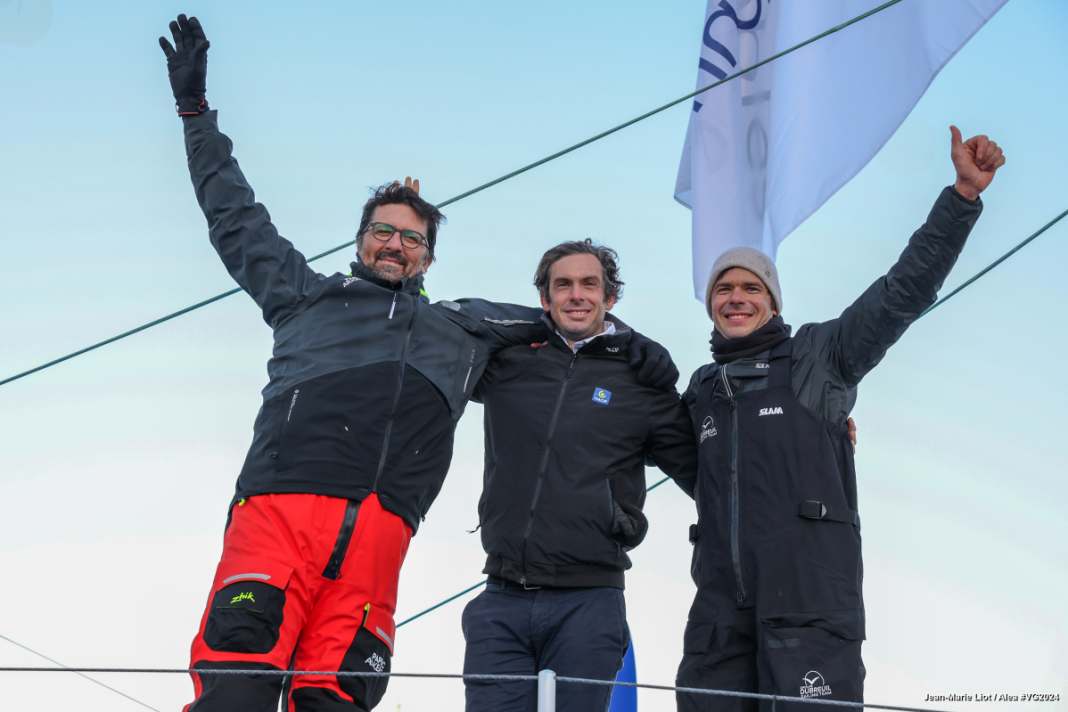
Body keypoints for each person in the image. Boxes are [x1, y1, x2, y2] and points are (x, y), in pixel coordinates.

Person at [159, 16, 671, 711]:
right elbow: (235, 215)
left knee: (336, 697)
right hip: (281, 515)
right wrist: (195, 112)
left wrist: (630, 341)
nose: (395, 245)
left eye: (411, 237)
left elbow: (568, 317)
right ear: (361, 240)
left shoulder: (465, 329)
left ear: (429, 256)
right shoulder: (305, 295)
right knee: (237, 687)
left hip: (380, 538)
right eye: (382, 232)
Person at [675, 126, 1005, 711]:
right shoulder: (701, 392)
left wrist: (961, 197)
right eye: (723, 288)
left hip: (810, 612)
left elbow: (901, 292)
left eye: (752, 287)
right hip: (719, 626)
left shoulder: (819, 357)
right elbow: (654, 446)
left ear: (773, 303)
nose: (736, 297)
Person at [462, 240, 698, 712]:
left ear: (610, 298)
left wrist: (822, 443)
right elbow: (446, 325)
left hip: (588, 601)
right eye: (562, 285)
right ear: (544, 299)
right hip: (501, 597)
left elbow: (709, 472)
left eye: (590, 284)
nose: (576, 295)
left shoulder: (642, 382)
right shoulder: (508, 363)